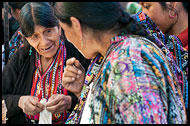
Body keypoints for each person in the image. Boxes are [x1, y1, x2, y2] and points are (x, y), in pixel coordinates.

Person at [54, 2, 187, 124]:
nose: (68, 38)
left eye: (65, 30)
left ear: (76, 25)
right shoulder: (114, 55)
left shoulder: (129, 62)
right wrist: (82, 92)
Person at [2, 2, 90, 124]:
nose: (44, 43)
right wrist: (20, 102)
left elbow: (96, 101)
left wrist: (71, 102)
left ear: (59, 28)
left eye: (48, 31)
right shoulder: (22, 57)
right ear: (25, 38)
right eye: (34, 36)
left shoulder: (79, 56)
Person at [2, 2, 27, 70]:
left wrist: (10, 20)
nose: (10, 12)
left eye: (10, 9)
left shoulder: (23, 32)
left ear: (18, 11)